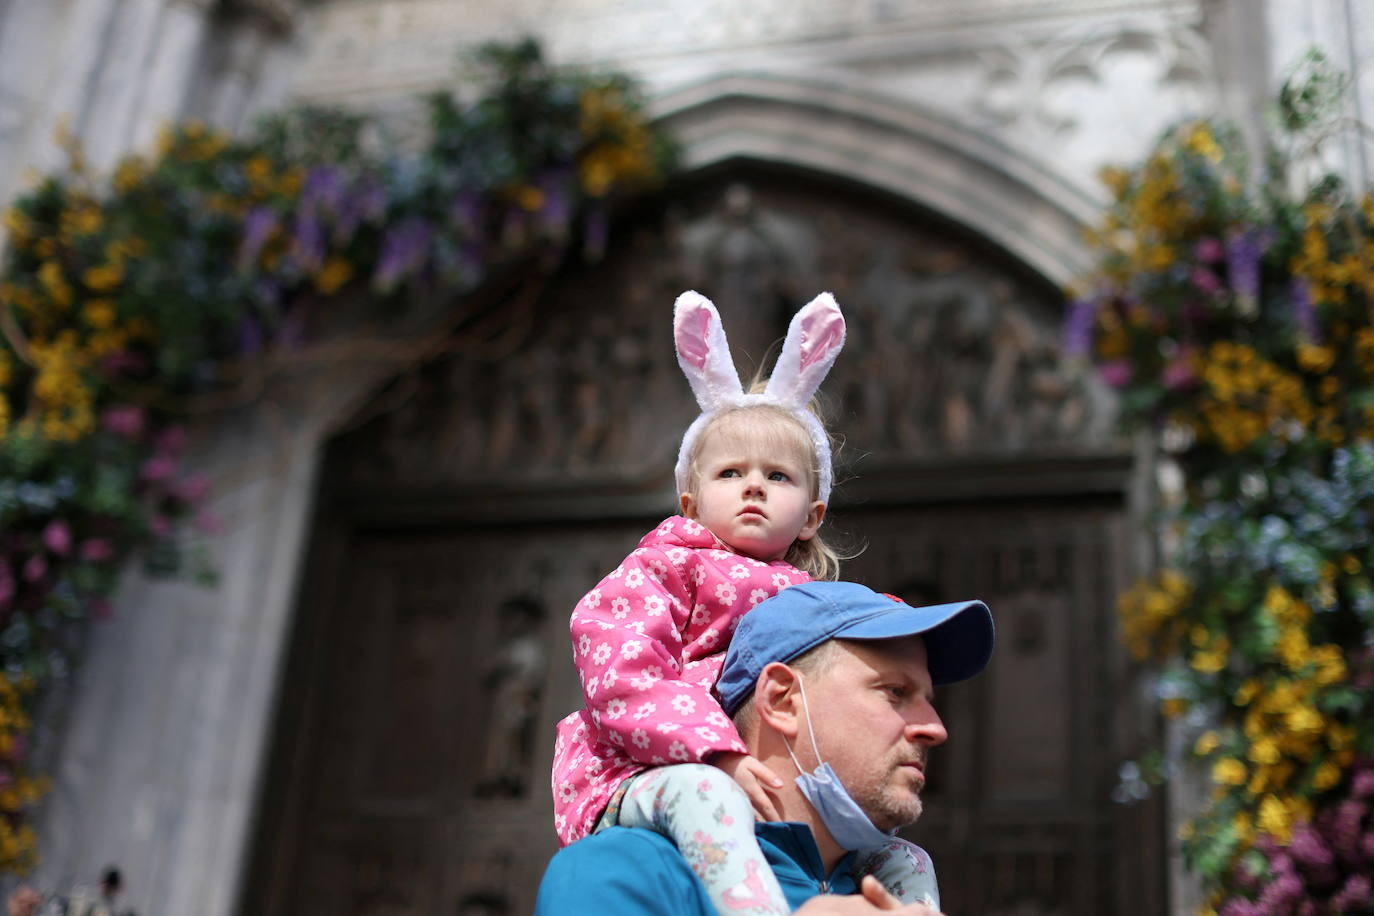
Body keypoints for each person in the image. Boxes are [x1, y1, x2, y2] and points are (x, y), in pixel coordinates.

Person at [552, 290, 937, 912]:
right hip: (649, 770)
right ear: (689, 499)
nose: (753, 484)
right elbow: (620, 664)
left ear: (813, 516)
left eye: (778, 476)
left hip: (741, 785)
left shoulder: (809, 594)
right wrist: (715, 750)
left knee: (905, 857)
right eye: (730, 473)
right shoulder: (666, 564)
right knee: (710, 797)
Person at [536, 579, 995, 914]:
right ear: (782, 700)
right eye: (895, 691)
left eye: (929, 701)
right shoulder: (626, 871)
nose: (936, 728)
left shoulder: (898, 896)